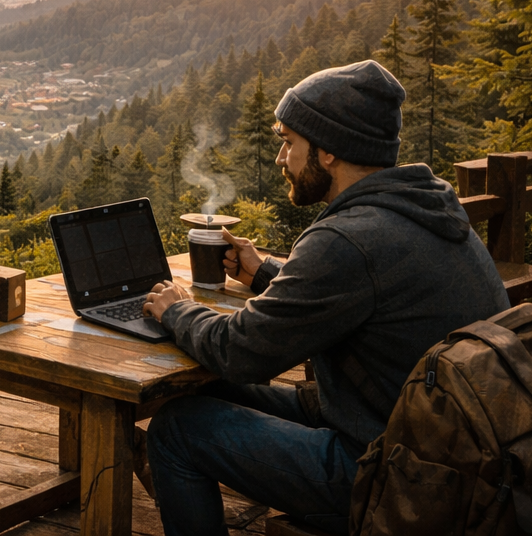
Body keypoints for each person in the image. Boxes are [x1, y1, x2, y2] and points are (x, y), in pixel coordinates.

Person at [139, 60, 508, 535]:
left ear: (328, 151)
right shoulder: (426, 209)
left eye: (289, 142)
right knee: (201, 389)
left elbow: (241, 352)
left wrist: (177, 310)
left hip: (395, 476)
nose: (281, 158)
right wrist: (265, 273)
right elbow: (360, 295)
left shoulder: (347, 239)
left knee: (177, 430)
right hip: (441, 449)